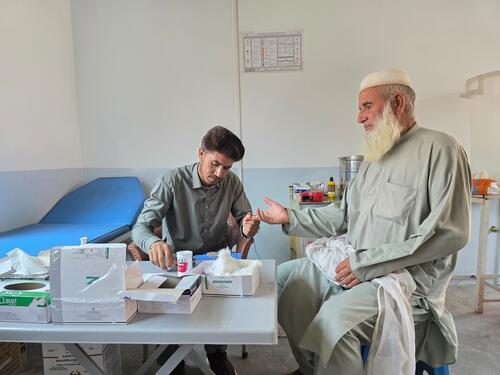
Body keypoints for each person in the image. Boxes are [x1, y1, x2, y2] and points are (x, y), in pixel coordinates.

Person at [257, 69, 471, 375]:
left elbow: (449, 233)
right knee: (284, 279)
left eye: (367, 106)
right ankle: (315, 367)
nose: (360, 117)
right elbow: (344, 214)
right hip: (356, 263)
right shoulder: (375, 156)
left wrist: (369, 263)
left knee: (336, 322)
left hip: (404, 280)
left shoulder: (441, 149)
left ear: (397, 102)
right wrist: (290, 216)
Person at [132, 125, 260, 375]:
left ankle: (217, 354)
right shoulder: (172, 181)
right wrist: (153, 243)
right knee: (170, 311)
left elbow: (245, 218)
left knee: (220, 306)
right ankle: (172, 362)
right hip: (176, 263)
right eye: (215, 164)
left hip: (215, 262)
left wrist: (249, 227)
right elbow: (141, 227)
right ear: (201, 153)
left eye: (227, 167)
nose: (220, 173)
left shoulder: (231, 182)